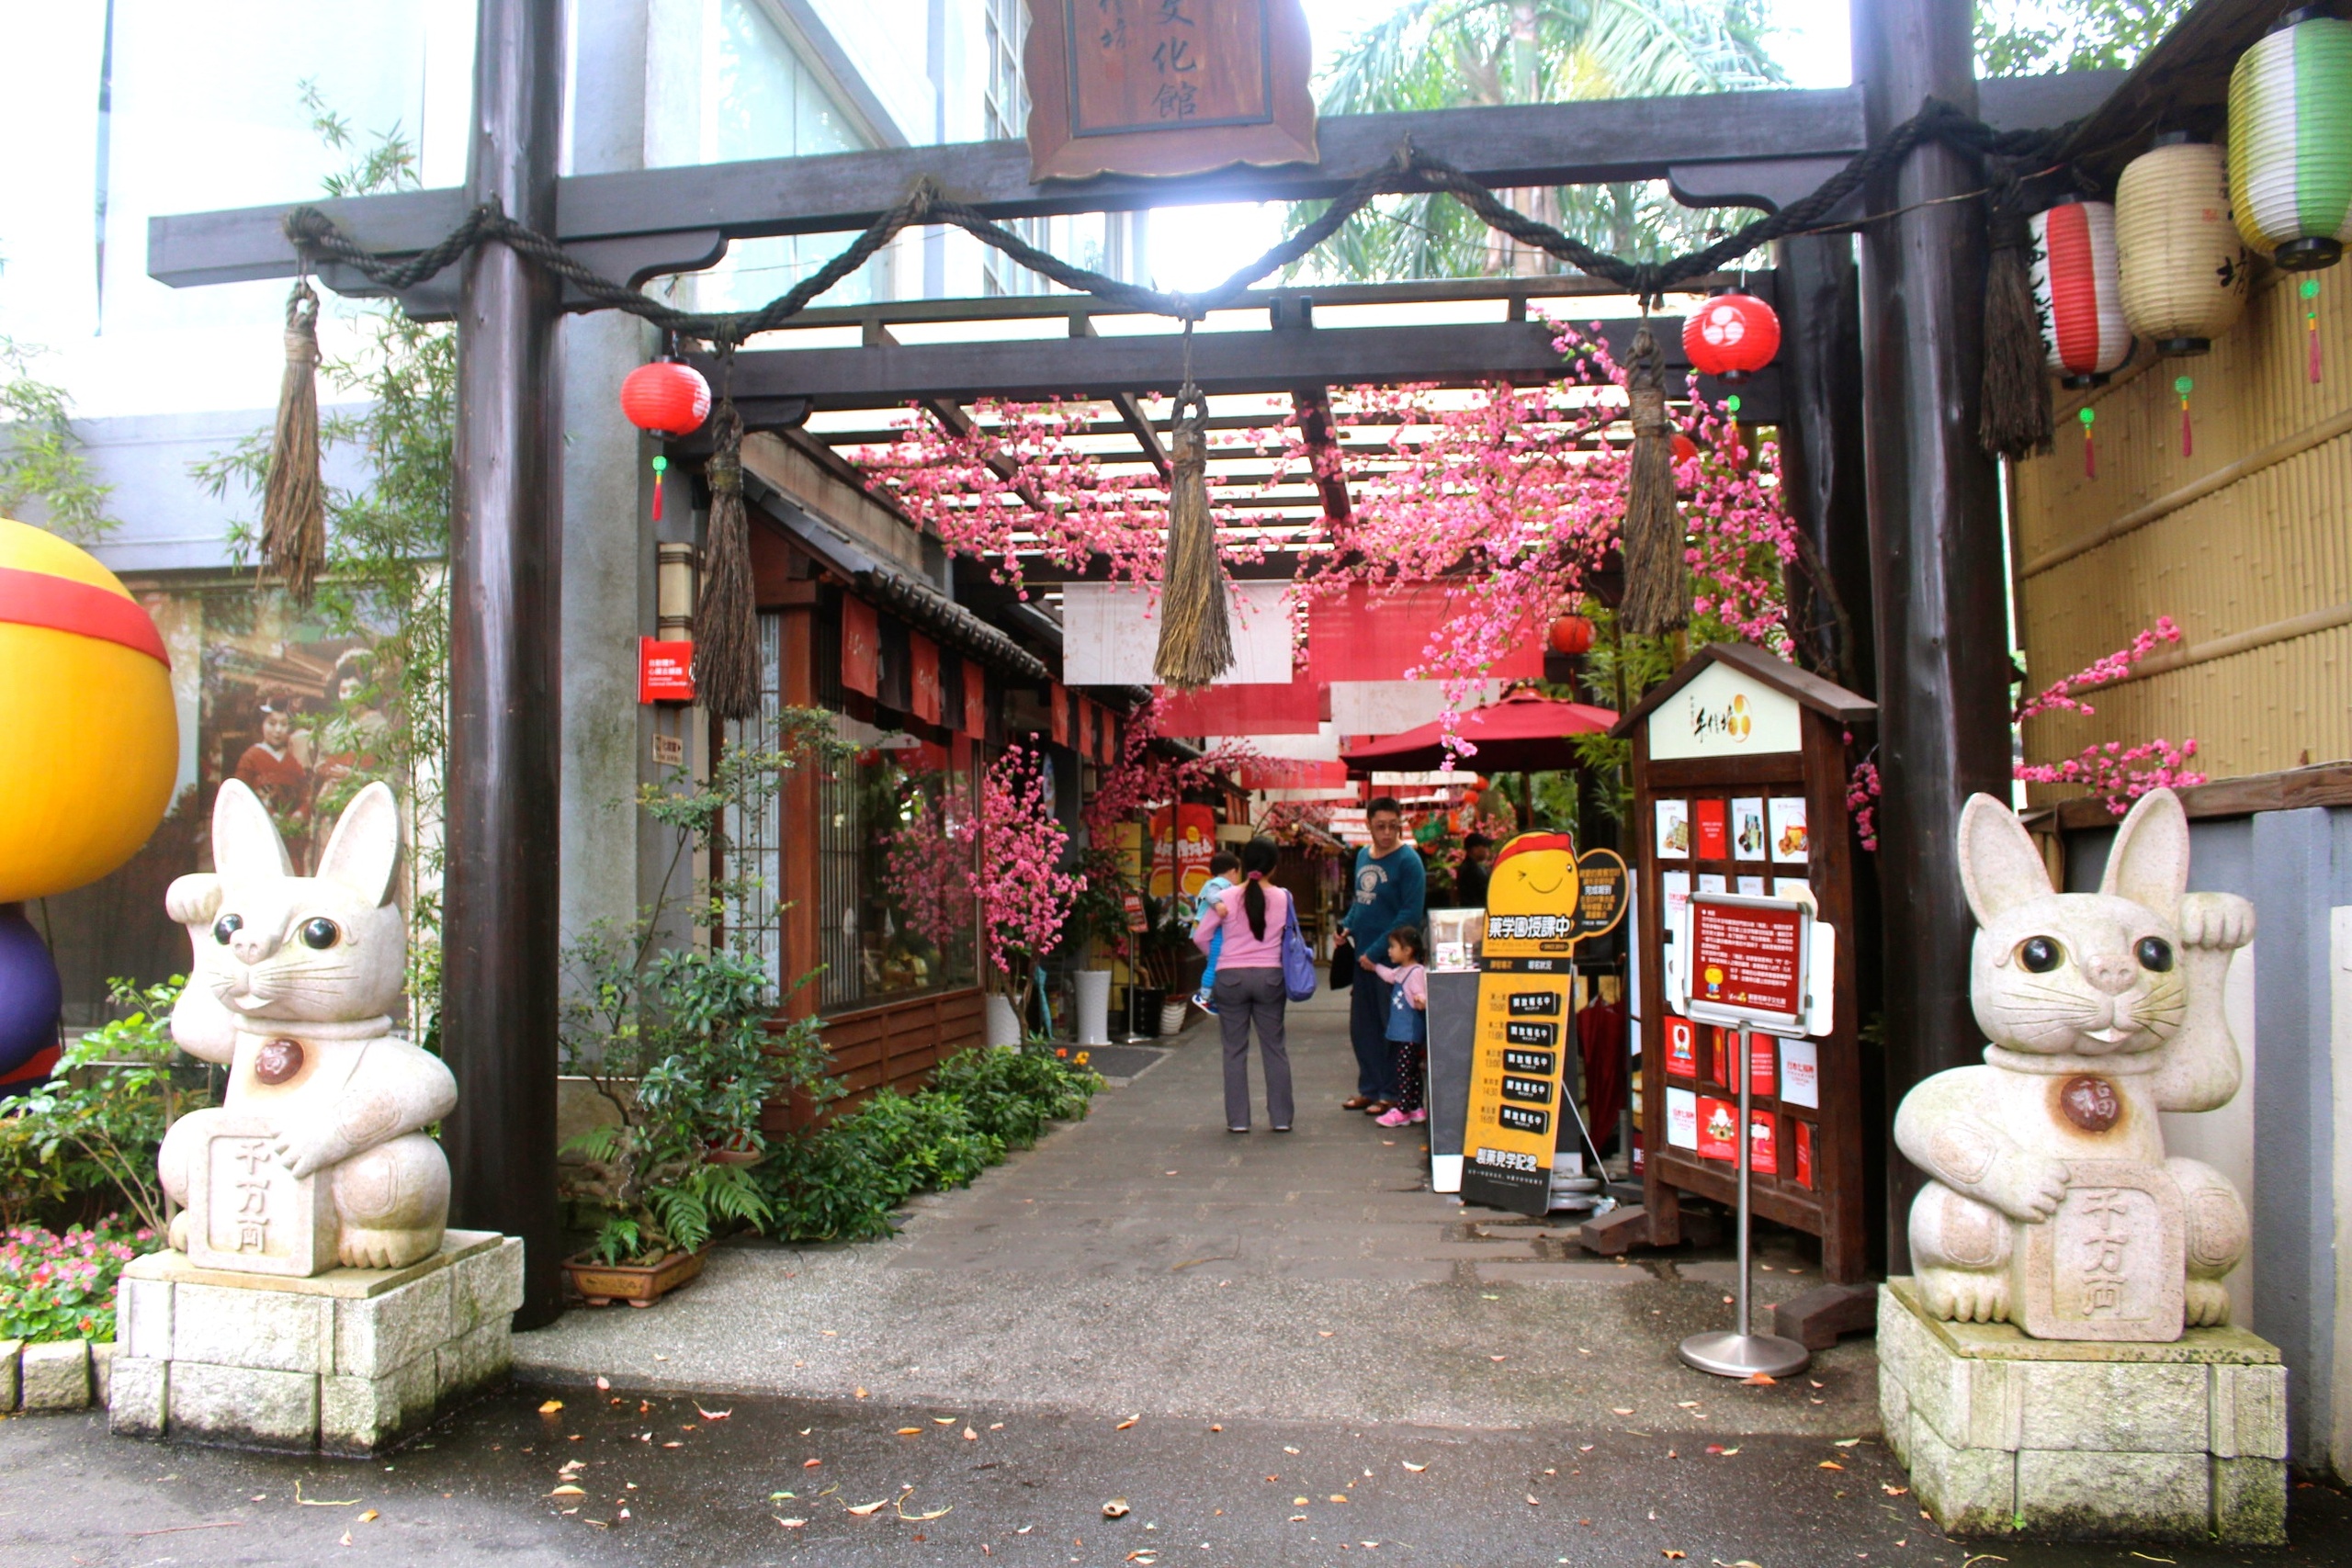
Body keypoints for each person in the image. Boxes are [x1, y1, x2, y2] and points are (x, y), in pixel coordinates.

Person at [1193, 837, 1295, 1134]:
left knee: (1234, 1050)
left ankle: (1238, 1121)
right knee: (1275, 1048)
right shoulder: (1284, 897)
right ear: (1273, 867)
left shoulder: (1226, 898)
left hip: (1231, 978)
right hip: (1270, 978)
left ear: (1244, 865)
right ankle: (1280, 1118)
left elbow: (1200, 937)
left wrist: (1221, 956)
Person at [1341, 797, 1425, 1115]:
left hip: (1393, 963)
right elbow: (1361, 902)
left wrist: (1377, 953)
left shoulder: (1408, 861)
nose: (1387, 832)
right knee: (1363, 1026)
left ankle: (1391, 1092)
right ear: (1369, 825)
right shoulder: (1363, 855)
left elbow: (1409, 914)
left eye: (1393, 825)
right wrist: (1346, 927)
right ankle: (1370, 1088)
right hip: (1362, 958)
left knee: (1393, 1027)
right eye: (1380, 826)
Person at [1371, 925, 1430, 1128]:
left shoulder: (1415, 972)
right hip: (1404, 1032)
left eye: (1393, 947)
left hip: (1409, 1033)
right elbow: (1389, 975)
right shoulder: (1403, 971)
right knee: (1411, 1070)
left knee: (1404, 1070)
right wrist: (1375, 965)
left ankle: (1403, 1109)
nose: (1389, 950)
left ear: (1408, 951)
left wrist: (1421, 999)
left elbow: (1420, 994)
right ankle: (1416, 1107)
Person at [1190, 851, 1241, 1010]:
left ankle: (1212, 997)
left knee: (1216, 962)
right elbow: (1212, 895)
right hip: (1211, 930)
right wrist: (1219, 904)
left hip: (1210, 930)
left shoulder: (1217, 882)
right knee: (1215, 962)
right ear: (1233, 871)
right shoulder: (1219, 883)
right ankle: (1204, 996)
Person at [1454, 831, 1494, 908]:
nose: (1487, 849)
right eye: (1484, 846)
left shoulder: (1468, 867)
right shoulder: (1471, 870)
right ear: (1474, 849)